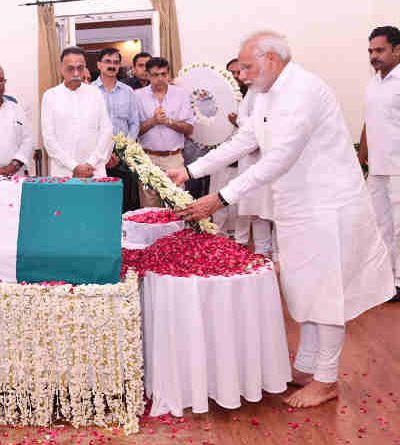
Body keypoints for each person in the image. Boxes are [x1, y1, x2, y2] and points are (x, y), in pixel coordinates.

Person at [168, 31, 394, 408]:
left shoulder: (304, 90)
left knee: (325, 292)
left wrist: (221, 198)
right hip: (293, 204)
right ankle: (307, 366)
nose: (240, 74)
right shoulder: (261, 92)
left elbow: (280, 157)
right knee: (300, 285)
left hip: (326, 205)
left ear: (272, 59)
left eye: (247, 67)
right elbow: (245, 141)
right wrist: (191, 172)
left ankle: (326, 379)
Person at [361, 25, 400, 302]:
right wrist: (363, 145)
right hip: (376, 166)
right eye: (371, 51)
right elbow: (371, 117)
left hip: (398, 167)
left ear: (397, 50)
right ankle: (386, 280)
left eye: (380, 50)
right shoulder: (374, 81)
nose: (374, 56)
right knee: (379, 224)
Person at [219, 57, 274, 254]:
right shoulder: (251, 91)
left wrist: (241, 122)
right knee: (255, 211)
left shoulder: (275, 90)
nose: (239, 76)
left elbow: (260, 124)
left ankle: (275, 256)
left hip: (271, 157)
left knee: (273, 213)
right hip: (249, 159)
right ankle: (261, 254)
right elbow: (248, 122)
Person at [41, 46, 113, 178]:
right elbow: (49, 137)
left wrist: (91, 163)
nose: (75, 73)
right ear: (61, 69)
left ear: (85, 68)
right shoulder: (50, 96)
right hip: (63, 171)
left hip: (94, 170)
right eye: (70, 68)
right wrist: (73, 166)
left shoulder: (95, 93)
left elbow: (106, 131)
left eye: (80, 68)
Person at [135, 57, 194, 207]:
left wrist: (169, 121)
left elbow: (189, 129)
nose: (160, 79)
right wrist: (153, 121)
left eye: (163, 74)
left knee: (178, 206)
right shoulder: (137, 96)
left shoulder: (181, 94)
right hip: (147, 158)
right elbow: (134, 131)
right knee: (149, 209)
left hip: (174, 158)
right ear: (147, 75)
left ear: (168, 74)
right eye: (155, 75)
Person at [92, 47, 142, 211]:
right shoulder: (89, 92)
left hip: (123, 158)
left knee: (125, 203)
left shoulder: (128, 92)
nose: (112, 65)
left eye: (116, 62)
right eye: (107, 61)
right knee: (100, 203)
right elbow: (87, 128)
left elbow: (134, 123)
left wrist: (122, 150)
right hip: (97, 157)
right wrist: (104, 153)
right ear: (99, 64)